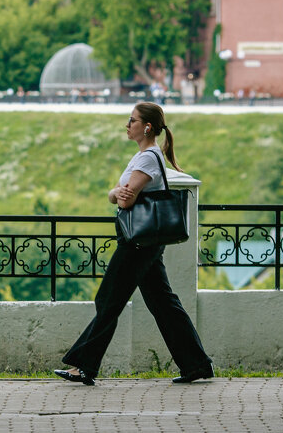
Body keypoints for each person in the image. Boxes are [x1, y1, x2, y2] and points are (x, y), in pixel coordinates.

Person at [54, 102, 213, 386]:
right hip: (145, 241)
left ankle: (84, 365)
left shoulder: (148, 159)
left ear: (147, 127)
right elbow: (114, 193)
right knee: (163, 303)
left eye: (132, 120)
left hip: (138, 244)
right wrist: (116, 193)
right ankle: (197, 364)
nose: (127, 125)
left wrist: (117, 193)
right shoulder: (143, 156)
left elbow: (123, 198)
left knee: (108, 299)